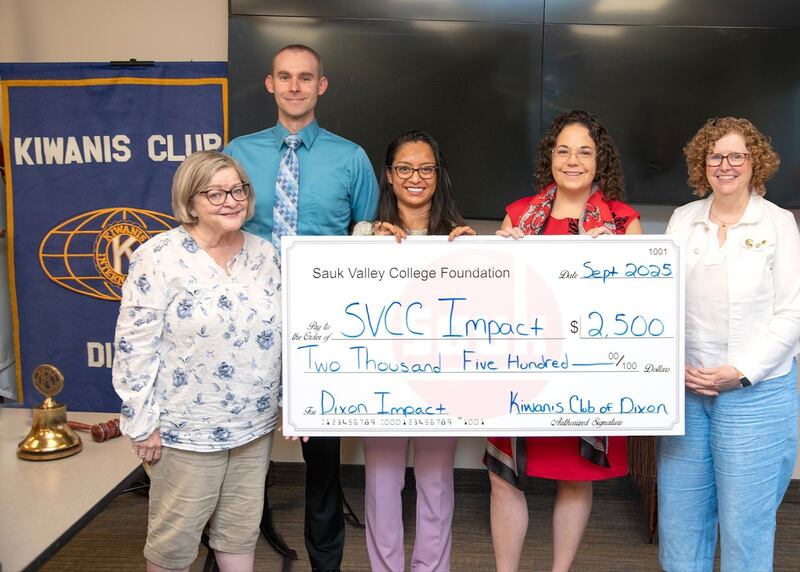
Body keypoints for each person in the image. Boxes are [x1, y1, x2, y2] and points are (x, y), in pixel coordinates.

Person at [224, 44, 379, 571]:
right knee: (242, 446)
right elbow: (216, 227)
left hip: (322, 323)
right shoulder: (238, 153)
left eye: (305, 78)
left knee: (323, 455)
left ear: (321, 86)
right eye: (285, 77)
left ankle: (325, 562)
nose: (295, 87)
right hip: (248, 319)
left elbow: (365, 240)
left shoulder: (351, 158)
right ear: (270, 83)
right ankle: (229, 551)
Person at [486, 110, 642, 572]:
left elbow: (641, 307)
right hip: (522, 370)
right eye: (563, 150)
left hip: (585, 373)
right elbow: (490, 302)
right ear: (549, 158)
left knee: (575, 477)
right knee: (503, 478)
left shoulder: (622, 222)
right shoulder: (518, 216)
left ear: (600, 161)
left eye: (585, 152)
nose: (573, 161)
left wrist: (617, 263)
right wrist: (496, 257)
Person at [112, 150, 281, 572]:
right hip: (185, 430)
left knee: (239, 534)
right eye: (215, 193)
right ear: (190, 202)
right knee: (174, 545)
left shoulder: (266, 254)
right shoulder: (158, 256)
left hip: (253, 426)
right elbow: (134, 346)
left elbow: (287, 335)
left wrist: (294, 405)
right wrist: (142, 422)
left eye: (238, 190)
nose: (231, 201)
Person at [657, 117, 800, 572]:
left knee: (745, 528)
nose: (725, 165)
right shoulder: (683, 220)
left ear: (755, 162)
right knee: (680, 523)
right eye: (715, 156)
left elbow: (793, 313)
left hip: (756, 396)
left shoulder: (779, 223)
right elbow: (657, 298)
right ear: (703, 164)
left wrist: (740, 371)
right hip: (687, 391)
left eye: (737, 155)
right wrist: (673, 364)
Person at [353, 130, 475, 571]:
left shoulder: (460, 237)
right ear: (388, 175)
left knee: (436, 484)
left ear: (439, 175)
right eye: (404, 168)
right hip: (383, 380)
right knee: (382, 484)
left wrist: (476, 258)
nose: (415, 178)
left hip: (440, 380)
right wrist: (369, 247)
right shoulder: (364, 234)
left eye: (426, 168)